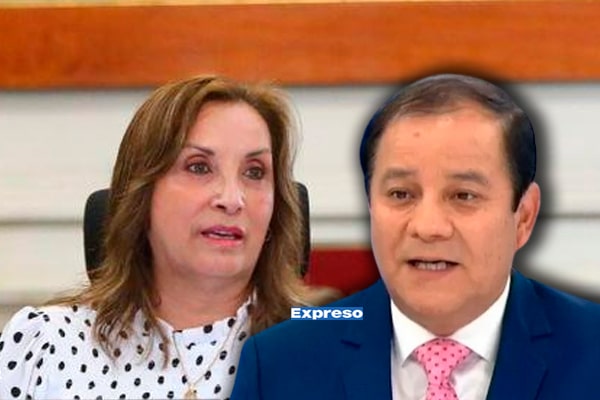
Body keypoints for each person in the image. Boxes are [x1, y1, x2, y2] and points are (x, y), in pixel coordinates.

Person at [231, 73, 600, 399]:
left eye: (463, 196)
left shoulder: (591, 350)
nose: (428, 227)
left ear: (524, 217)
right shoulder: (280, 363)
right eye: (401, 194)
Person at [0, 75, 312, 399]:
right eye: (199, 167)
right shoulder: (43, 347)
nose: (232, 199)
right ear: (142, 195)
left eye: (255, 172)